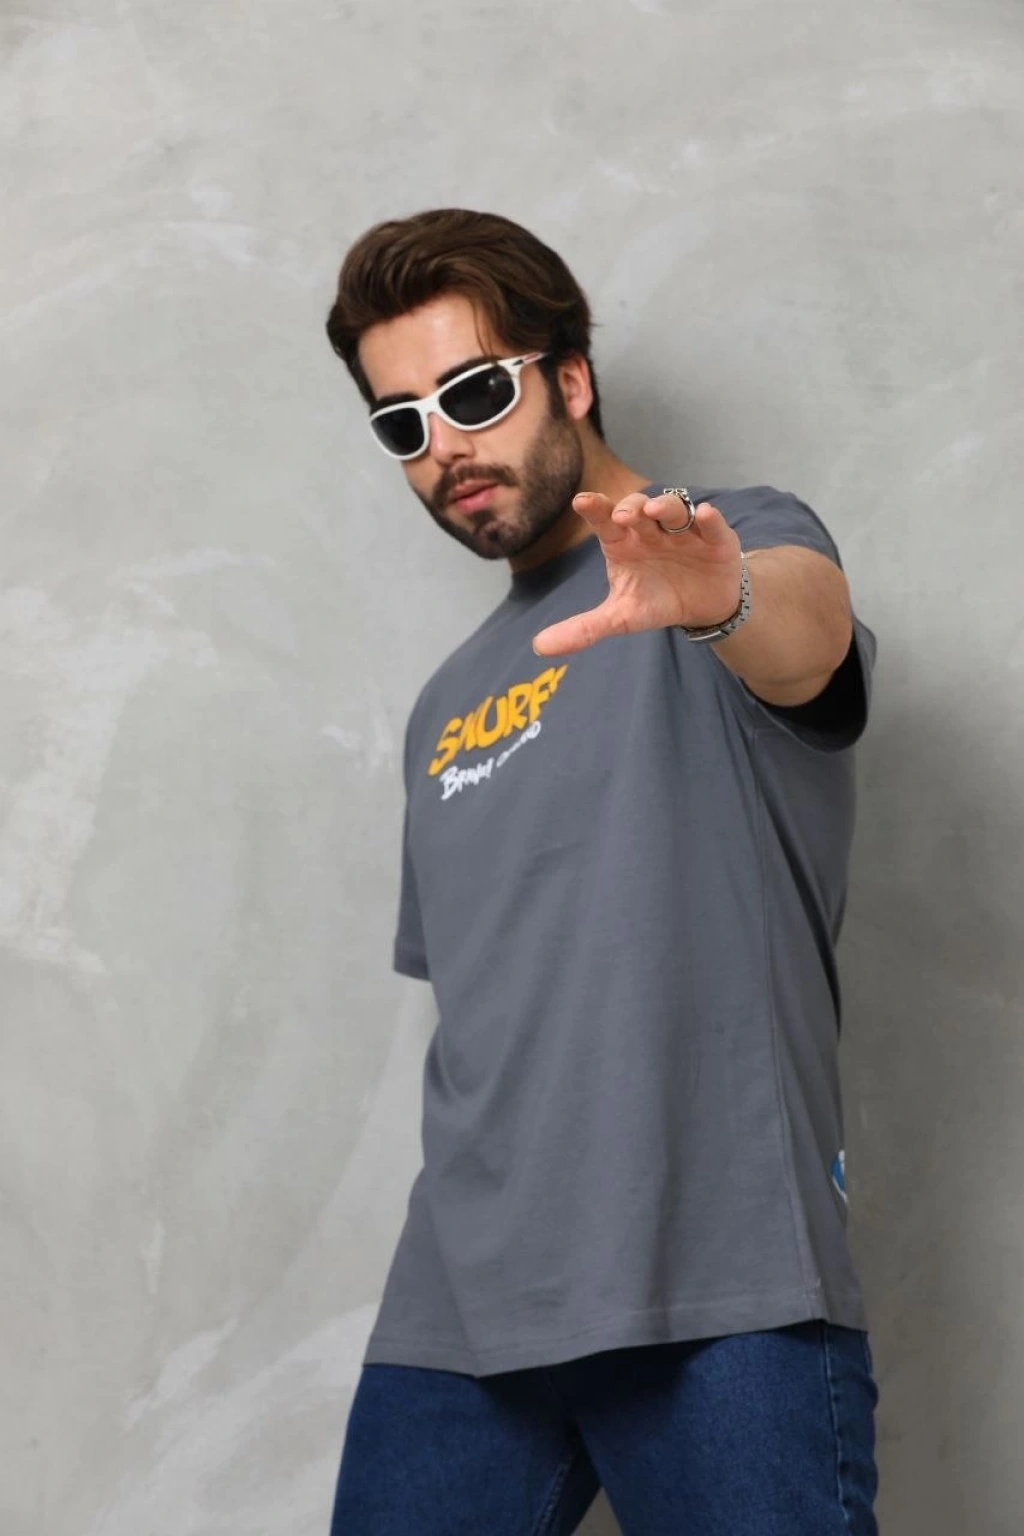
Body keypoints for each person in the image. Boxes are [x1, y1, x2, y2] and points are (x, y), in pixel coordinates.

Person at [324, 208, 880, 1535]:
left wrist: (722, 600)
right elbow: (490, 1009)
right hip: (462, 1309)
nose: (445, 447)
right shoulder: (443, 704)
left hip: (716, 1275)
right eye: (402, 423)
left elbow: (808, 640)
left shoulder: (726, 544)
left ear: (568, 376)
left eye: (472, 394)